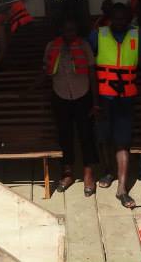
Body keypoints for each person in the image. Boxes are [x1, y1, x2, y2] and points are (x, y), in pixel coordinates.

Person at [89, 3, 141, 208]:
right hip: (102, 98)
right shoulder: (98, 34)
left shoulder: (138, 35)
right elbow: (87, 64)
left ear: (129, 18)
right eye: (116, 19)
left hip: (126, 97)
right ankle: (108, 171)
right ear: (109, 18)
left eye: (123, 19)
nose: (119, 22)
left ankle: (122, 188)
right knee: (103, 138)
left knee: (122, 142)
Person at [39, 20, 99, 194]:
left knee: (86, 136)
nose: (69, 32)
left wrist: (95, 102)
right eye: (66, 29)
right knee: (64, 136)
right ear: (61, 30)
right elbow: (46, 70)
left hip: (83, 95)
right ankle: (68, 173)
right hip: (60, 96)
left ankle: (88, 174)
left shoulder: (84, 45)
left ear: (77, 30)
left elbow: (92, 73)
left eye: (72, 29)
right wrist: (29, 89)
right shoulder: (51, 46)